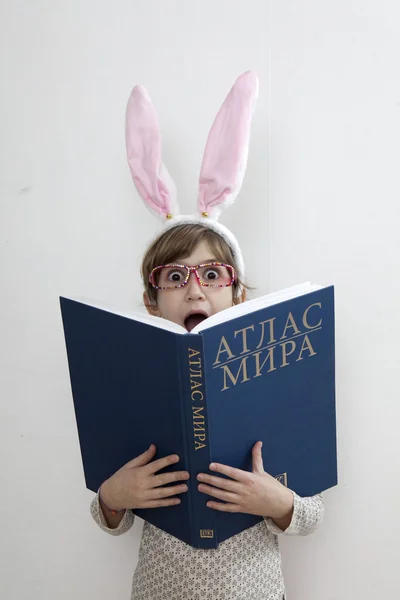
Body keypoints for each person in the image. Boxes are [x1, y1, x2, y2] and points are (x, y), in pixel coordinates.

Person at [91, 71, 324, 599]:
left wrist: (281, 504)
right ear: (152, 300)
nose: (194, 291)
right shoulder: (135, 385)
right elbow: (110, 520)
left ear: (237, 292)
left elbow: (313, 518)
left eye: (211, 274)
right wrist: (112, 495)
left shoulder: (277, 376)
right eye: (175, 277)